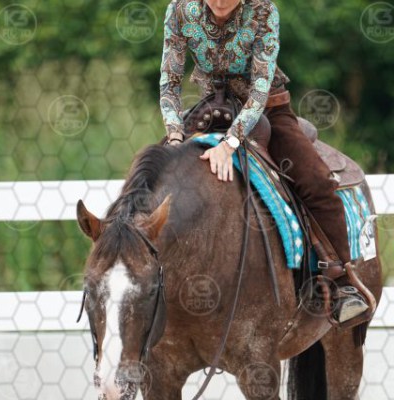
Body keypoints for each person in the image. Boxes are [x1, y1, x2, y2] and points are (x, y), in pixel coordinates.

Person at [159, 0, 371, 324]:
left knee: (316, 180)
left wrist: (230, 144)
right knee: (152, 174)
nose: (219, 2)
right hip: (209, 108)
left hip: (269, 108)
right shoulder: (179, 10)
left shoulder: (263, 10)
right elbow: (169, 82)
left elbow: (259, 89)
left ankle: (341, 283)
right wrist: (175, 137)